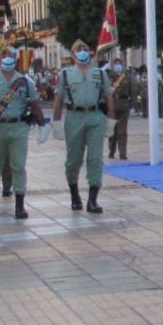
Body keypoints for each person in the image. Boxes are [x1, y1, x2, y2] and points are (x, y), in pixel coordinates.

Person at [54, 39, 113, 214]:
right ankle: (74, 195)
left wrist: (111, 121)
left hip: (95, 117)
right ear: (72, 54)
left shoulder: (100, 74)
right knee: (73, 160)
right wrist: (56, 123)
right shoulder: (65, 74)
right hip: (74, 116)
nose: (82, 52)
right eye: (78, 49)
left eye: (85, 49)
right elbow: (58, 99)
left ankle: (93, 200)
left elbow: (108, 97)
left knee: (95, 159)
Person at [0, 49, 39, 218]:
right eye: (3, 54)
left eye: (10, 55)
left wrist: (43, 125)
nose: (6, 58)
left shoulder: (24, 81)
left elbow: (35, 103)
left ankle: (19, 205)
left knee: (18, 165)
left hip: (19, 126)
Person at [107, 58, 135, 160]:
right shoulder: (109, 76)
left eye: (119, 63)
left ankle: (123, 153)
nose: (117, 65)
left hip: (123, 106)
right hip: (112, 107)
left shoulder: (127, 77)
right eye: (116, 64)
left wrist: (133, 106)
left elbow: (133, 92)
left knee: (122, 131)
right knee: (111, 130)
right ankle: (111, 151)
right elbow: (104, 92)